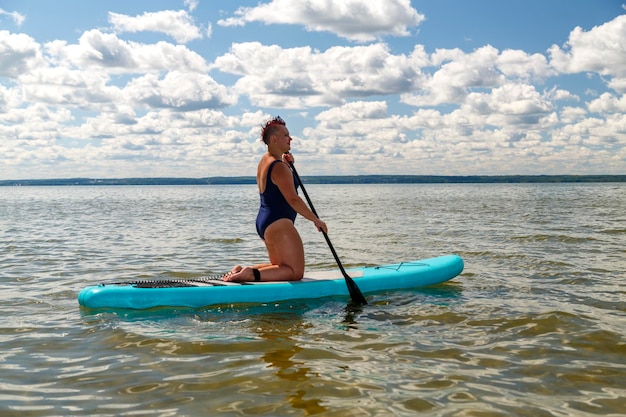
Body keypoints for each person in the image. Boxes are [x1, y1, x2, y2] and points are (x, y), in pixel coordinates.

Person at [223, 116, 328, 282]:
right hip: (279, 223)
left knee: (281, 265)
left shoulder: (266, 160)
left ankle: (242, 271)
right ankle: (251, 274)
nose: (290, 138)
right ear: (274, 139)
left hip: (266, 221)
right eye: (286, 135)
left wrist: (288, 163)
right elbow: (293, 199)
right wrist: (316, 220)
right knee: (295, 272)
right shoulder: (279, 167)